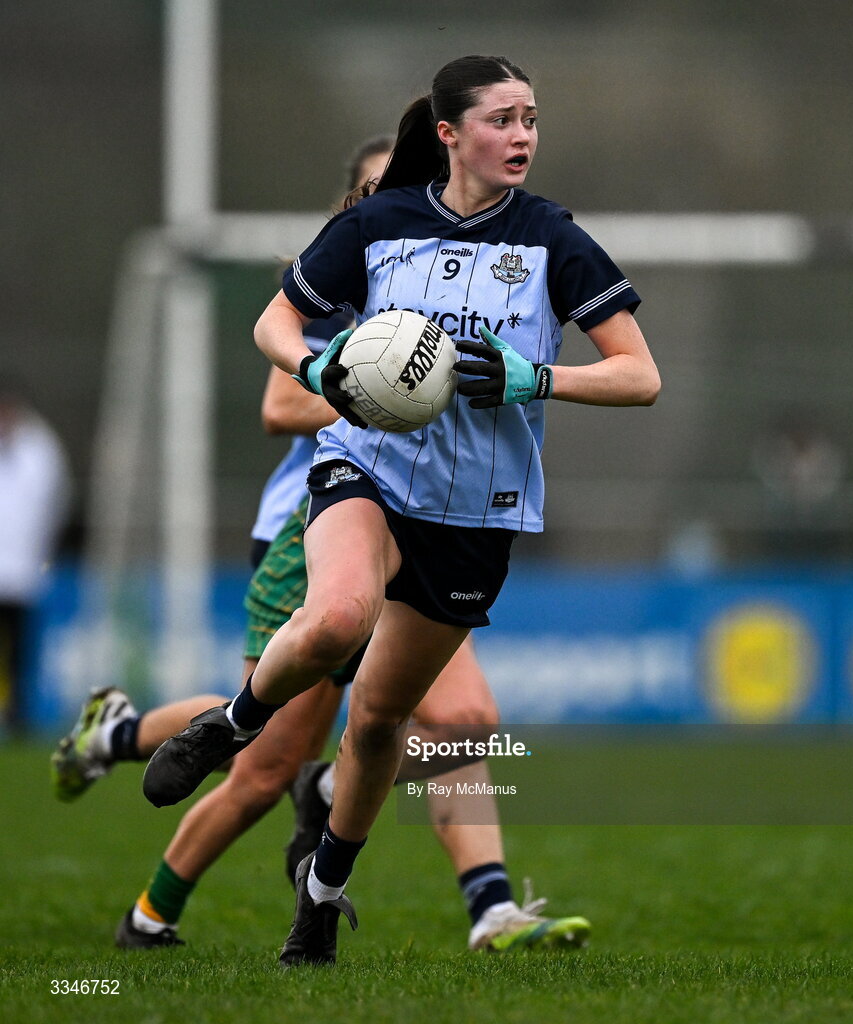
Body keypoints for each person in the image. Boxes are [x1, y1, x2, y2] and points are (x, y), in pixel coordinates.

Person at [143, 54, 660, 966]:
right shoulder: (380, 223)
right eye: (502, 120)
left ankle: (323, 888)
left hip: (474, 516)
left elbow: (640, 375)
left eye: (532, 119)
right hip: (365, 471)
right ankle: (231, 721)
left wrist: (534, 376)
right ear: (451, 133)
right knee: (338, 617)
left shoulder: (553, 239)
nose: (524, 137)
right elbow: (274, 322)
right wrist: (317, 370)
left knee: (380, 723)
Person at [52, 136, 589, 954]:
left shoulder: (461, 275)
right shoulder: (347, 280)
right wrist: (376, 387)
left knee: (466, 720)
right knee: (266, 764)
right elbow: (279, 405)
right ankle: (130, 795)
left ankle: (487, 907)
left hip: (423, 530)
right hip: (320, 527)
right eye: (378, 188)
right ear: (354, 202)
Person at [0, 373, 71, 732]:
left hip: (22, 567)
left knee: (19, 650)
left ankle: (18, 716)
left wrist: (45, 551)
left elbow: (54, 503)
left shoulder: (39, 447)